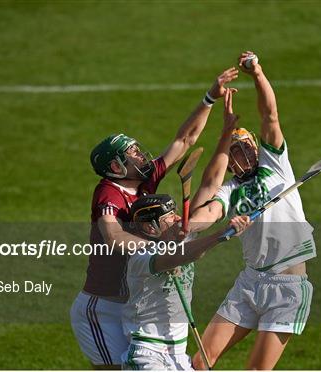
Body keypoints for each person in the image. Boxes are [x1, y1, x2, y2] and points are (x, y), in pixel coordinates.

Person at [70, 67, 239, 369]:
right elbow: (113, 237)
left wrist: (210, 97)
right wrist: (157, 250)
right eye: (131, 153)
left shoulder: (144, 182)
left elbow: (185, 140)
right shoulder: (108, 193)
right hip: (103, 306)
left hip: (132, 303)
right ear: (116, 166)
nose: (141, 155)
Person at [189, 52, 316, 370]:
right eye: (233, 151)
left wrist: (257, 74)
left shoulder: (276, 164)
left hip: (288, 286)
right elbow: (209, 213)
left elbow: (269, 116)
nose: (241, 154)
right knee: (199, 363)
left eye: (245, 146)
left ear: (256, 148)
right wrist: (189, 224)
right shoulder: (229, 190)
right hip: (250, 283)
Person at [121, 194, 251, 370]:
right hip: (148, 355)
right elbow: (183, 254)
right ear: (150, 227)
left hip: (179, 355)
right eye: (170, 216)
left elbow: (210, 196)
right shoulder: (141, 256)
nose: (179, 218)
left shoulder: (181, 238)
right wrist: (221, 235)